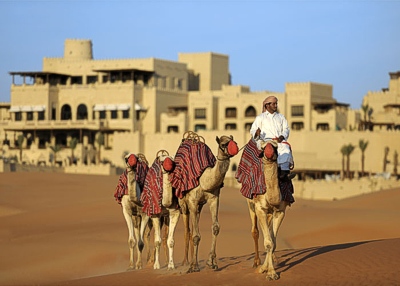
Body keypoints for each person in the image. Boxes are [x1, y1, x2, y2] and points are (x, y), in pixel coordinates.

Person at [249, 96, 296, 181]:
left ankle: (284, 174)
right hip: (265, 141)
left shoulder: (281, 117)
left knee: (285, 149)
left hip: (279, 141)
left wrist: (282, 136)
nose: (275, 105)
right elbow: (252, 130)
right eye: (273, 104)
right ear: (267, 105)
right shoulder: (260, 118)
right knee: (269, 150)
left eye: (276, 104)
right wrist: (256, 133)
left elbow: (286, 129)